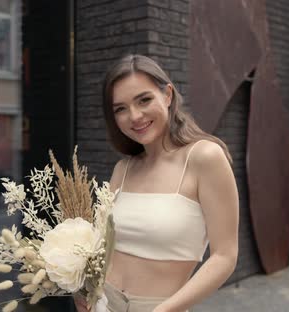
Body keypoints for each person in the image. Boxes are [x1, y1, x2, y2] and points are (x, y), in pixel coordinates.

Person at [74, 55, 239, 312]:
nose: (135, 116)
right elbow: (102, 246)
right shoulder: (123, 168)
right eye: (121, 108)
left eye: (144, 100)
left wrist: (164, 310)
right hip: (102, 303)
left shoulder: (204, 157)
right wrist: (83, 289)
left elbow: (225, 256)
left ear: (168, 95)